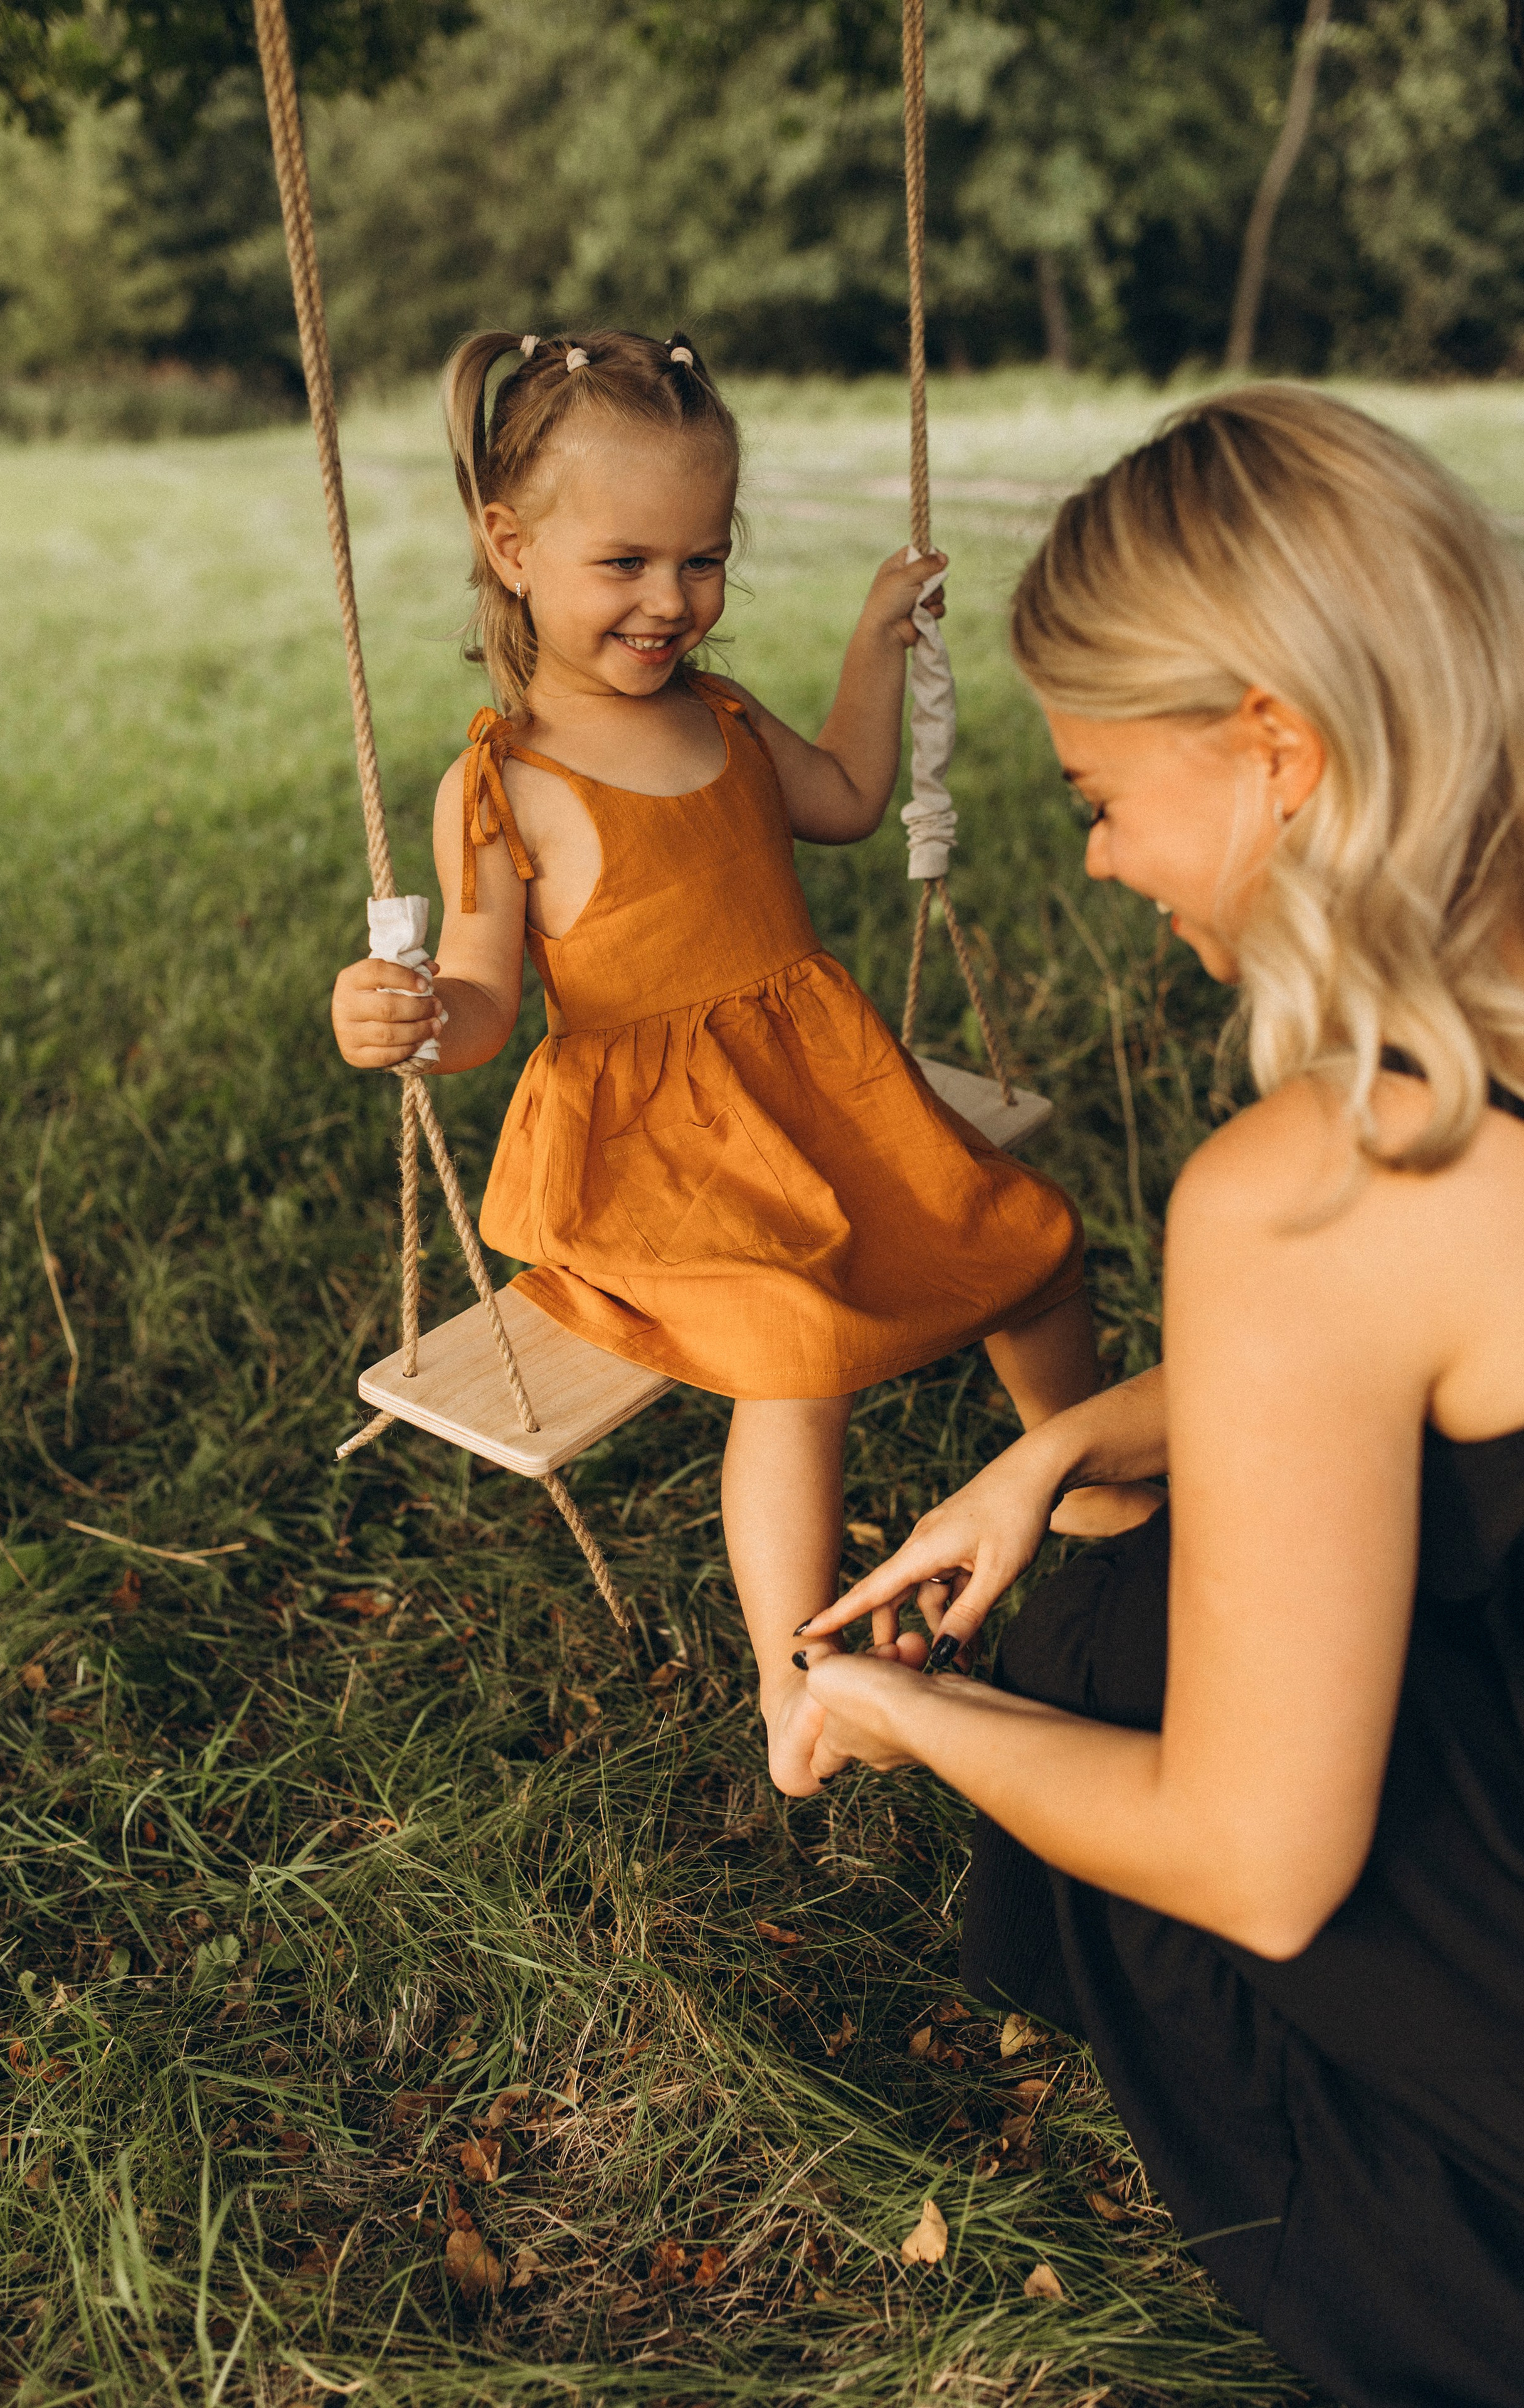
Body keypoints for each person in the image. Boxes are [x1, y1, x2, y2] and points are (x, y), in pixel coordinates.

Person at [793, 385, 1524, 2407]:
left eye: (1103, 796)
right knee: (1123, 1536)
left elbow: (1260, 1863)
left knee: (1108, 1646)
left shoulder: (1317, 1187)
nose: (1106, 861)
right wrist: (1057, 1447)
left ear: (1279, 747)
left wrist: (914, 1713)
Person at [331, 326, 1154, 1796]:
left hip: (813, 1089)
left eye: (701, 559)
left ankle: (1091, 1496)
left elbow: (842, 798)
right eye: (626, 562)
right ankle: (797, 1680)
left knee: (1027, 1240)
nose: (671, 600)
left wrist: (873, 645)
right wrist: (404, 1020)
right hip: (654, 1152)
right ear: (510, 547)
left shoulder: (718, 711)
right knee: (794, 1348)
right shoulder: (502, 783)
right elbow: (481, 1001)